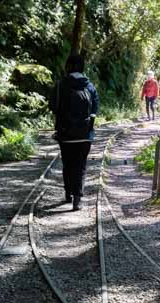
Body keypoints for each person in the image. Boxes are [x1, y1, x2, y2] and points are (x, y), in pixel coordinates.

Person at [50, 54, 99, 211]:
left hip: (65, 134)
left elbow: (52, 106)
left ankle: (67, 193)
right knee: (81, 165)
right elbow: (95, 109)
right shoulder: (89, 86)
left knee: (68, 163)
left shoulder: (60, 85)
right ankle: (77, 198)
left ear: (68, 67)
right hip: (85, 134)